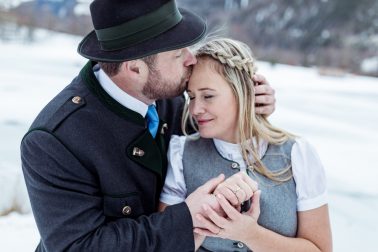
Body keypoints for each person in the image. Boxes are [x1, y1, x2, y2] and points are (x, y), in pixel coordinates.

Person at [20, 1, 276, 251]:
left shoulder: (167, 91)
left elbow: (209, 131)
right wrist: (186, 219)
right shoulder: (53, 141)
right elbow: (79, 246)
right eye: (178, 54)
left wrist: (246, 106)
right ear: (134, 68)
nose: (191, 59)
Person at [159, 38, 333, 252]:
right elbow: (165, 245)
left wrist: (251, 235)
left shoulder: (297, 153)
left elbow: (320, 249)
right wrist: (208, 215)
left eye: (208, 96)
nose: (195, 109)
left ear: (242, 91)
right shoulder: (181, 153)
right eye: (192, 97)